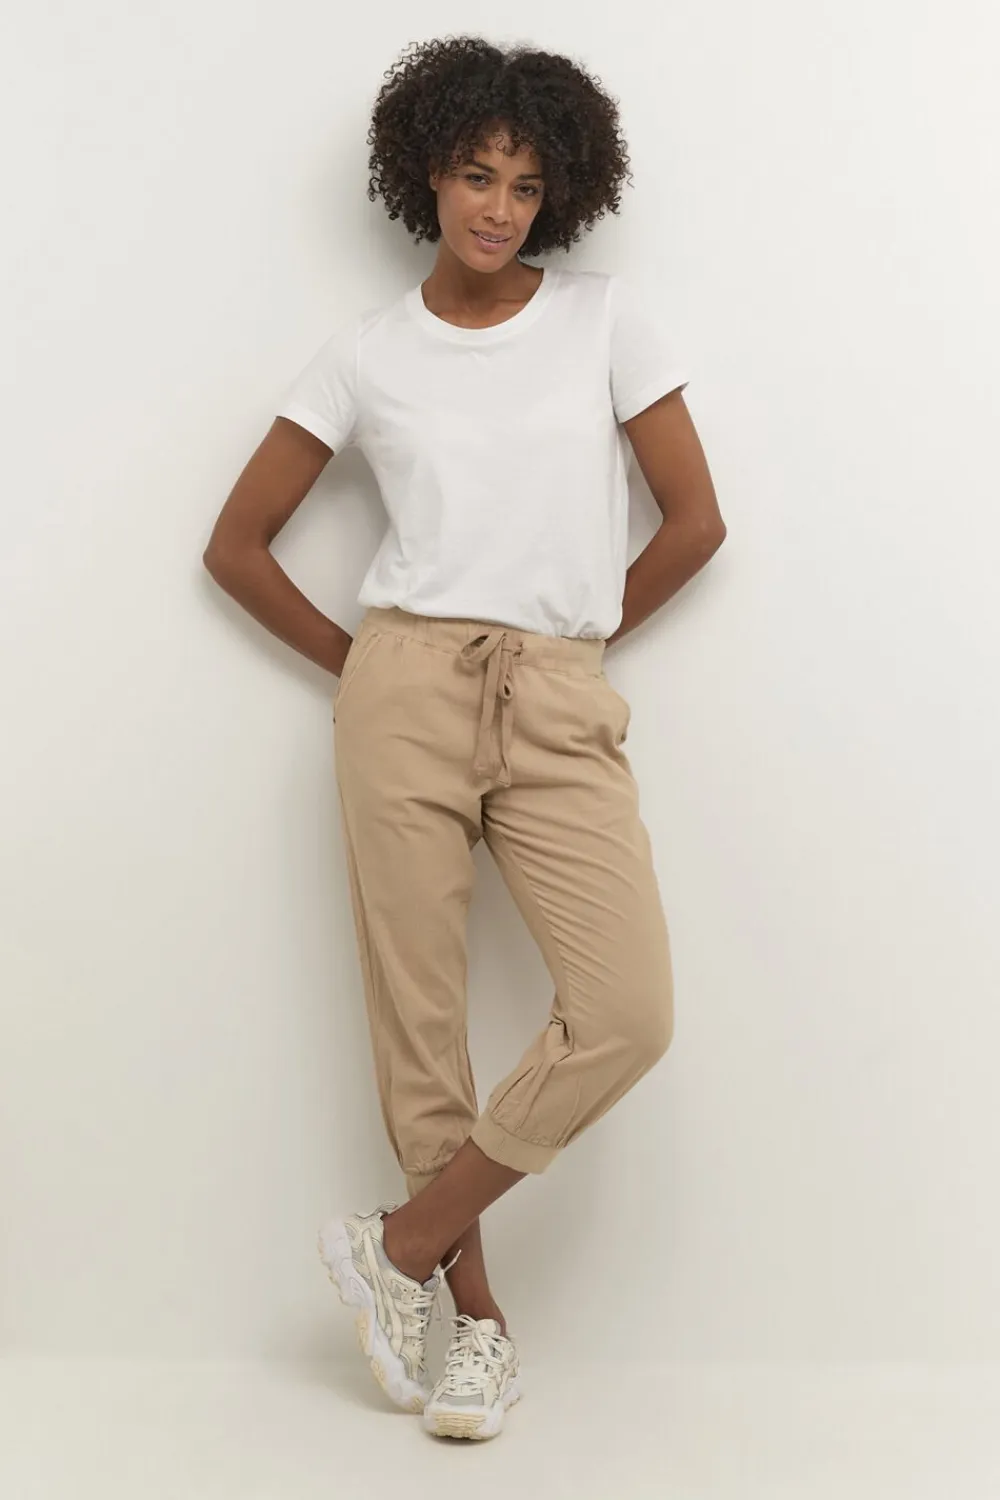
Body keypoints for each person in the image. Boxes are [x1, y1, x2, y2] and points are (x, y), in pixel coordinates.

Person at [204, 35, 725, 1442]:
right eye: (475, 174)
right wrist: (366, 672)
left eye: (525, 184)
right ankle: (477, 1333)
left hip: (555, 695)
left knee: (627, 1010)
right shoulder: (366, 354)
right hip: (404, 694)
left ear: (559, 195)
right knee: (420, 1029)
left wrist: (573, 644)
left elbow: (695, 524)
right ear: (424, 173)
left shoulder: (606, 322)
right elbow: (237, 545)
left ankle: (402, 1243)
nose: (498, 207)